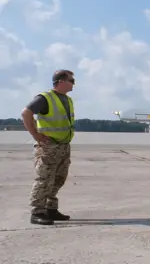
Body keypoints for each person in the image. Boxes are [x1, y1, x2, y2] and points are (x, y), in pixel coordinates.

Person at [21, 69, 76, 225]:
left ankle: (50, 208)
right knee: (44, 179)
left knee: (59, 178)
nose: (73, 84)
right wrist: (36, 135)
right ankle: (37, 211)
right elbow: (26, 113)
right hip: (49, 146)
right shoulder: (45, 98)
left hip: (63, 145)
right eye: (71, 81)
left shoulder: (67, 99)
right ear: (61, 81)